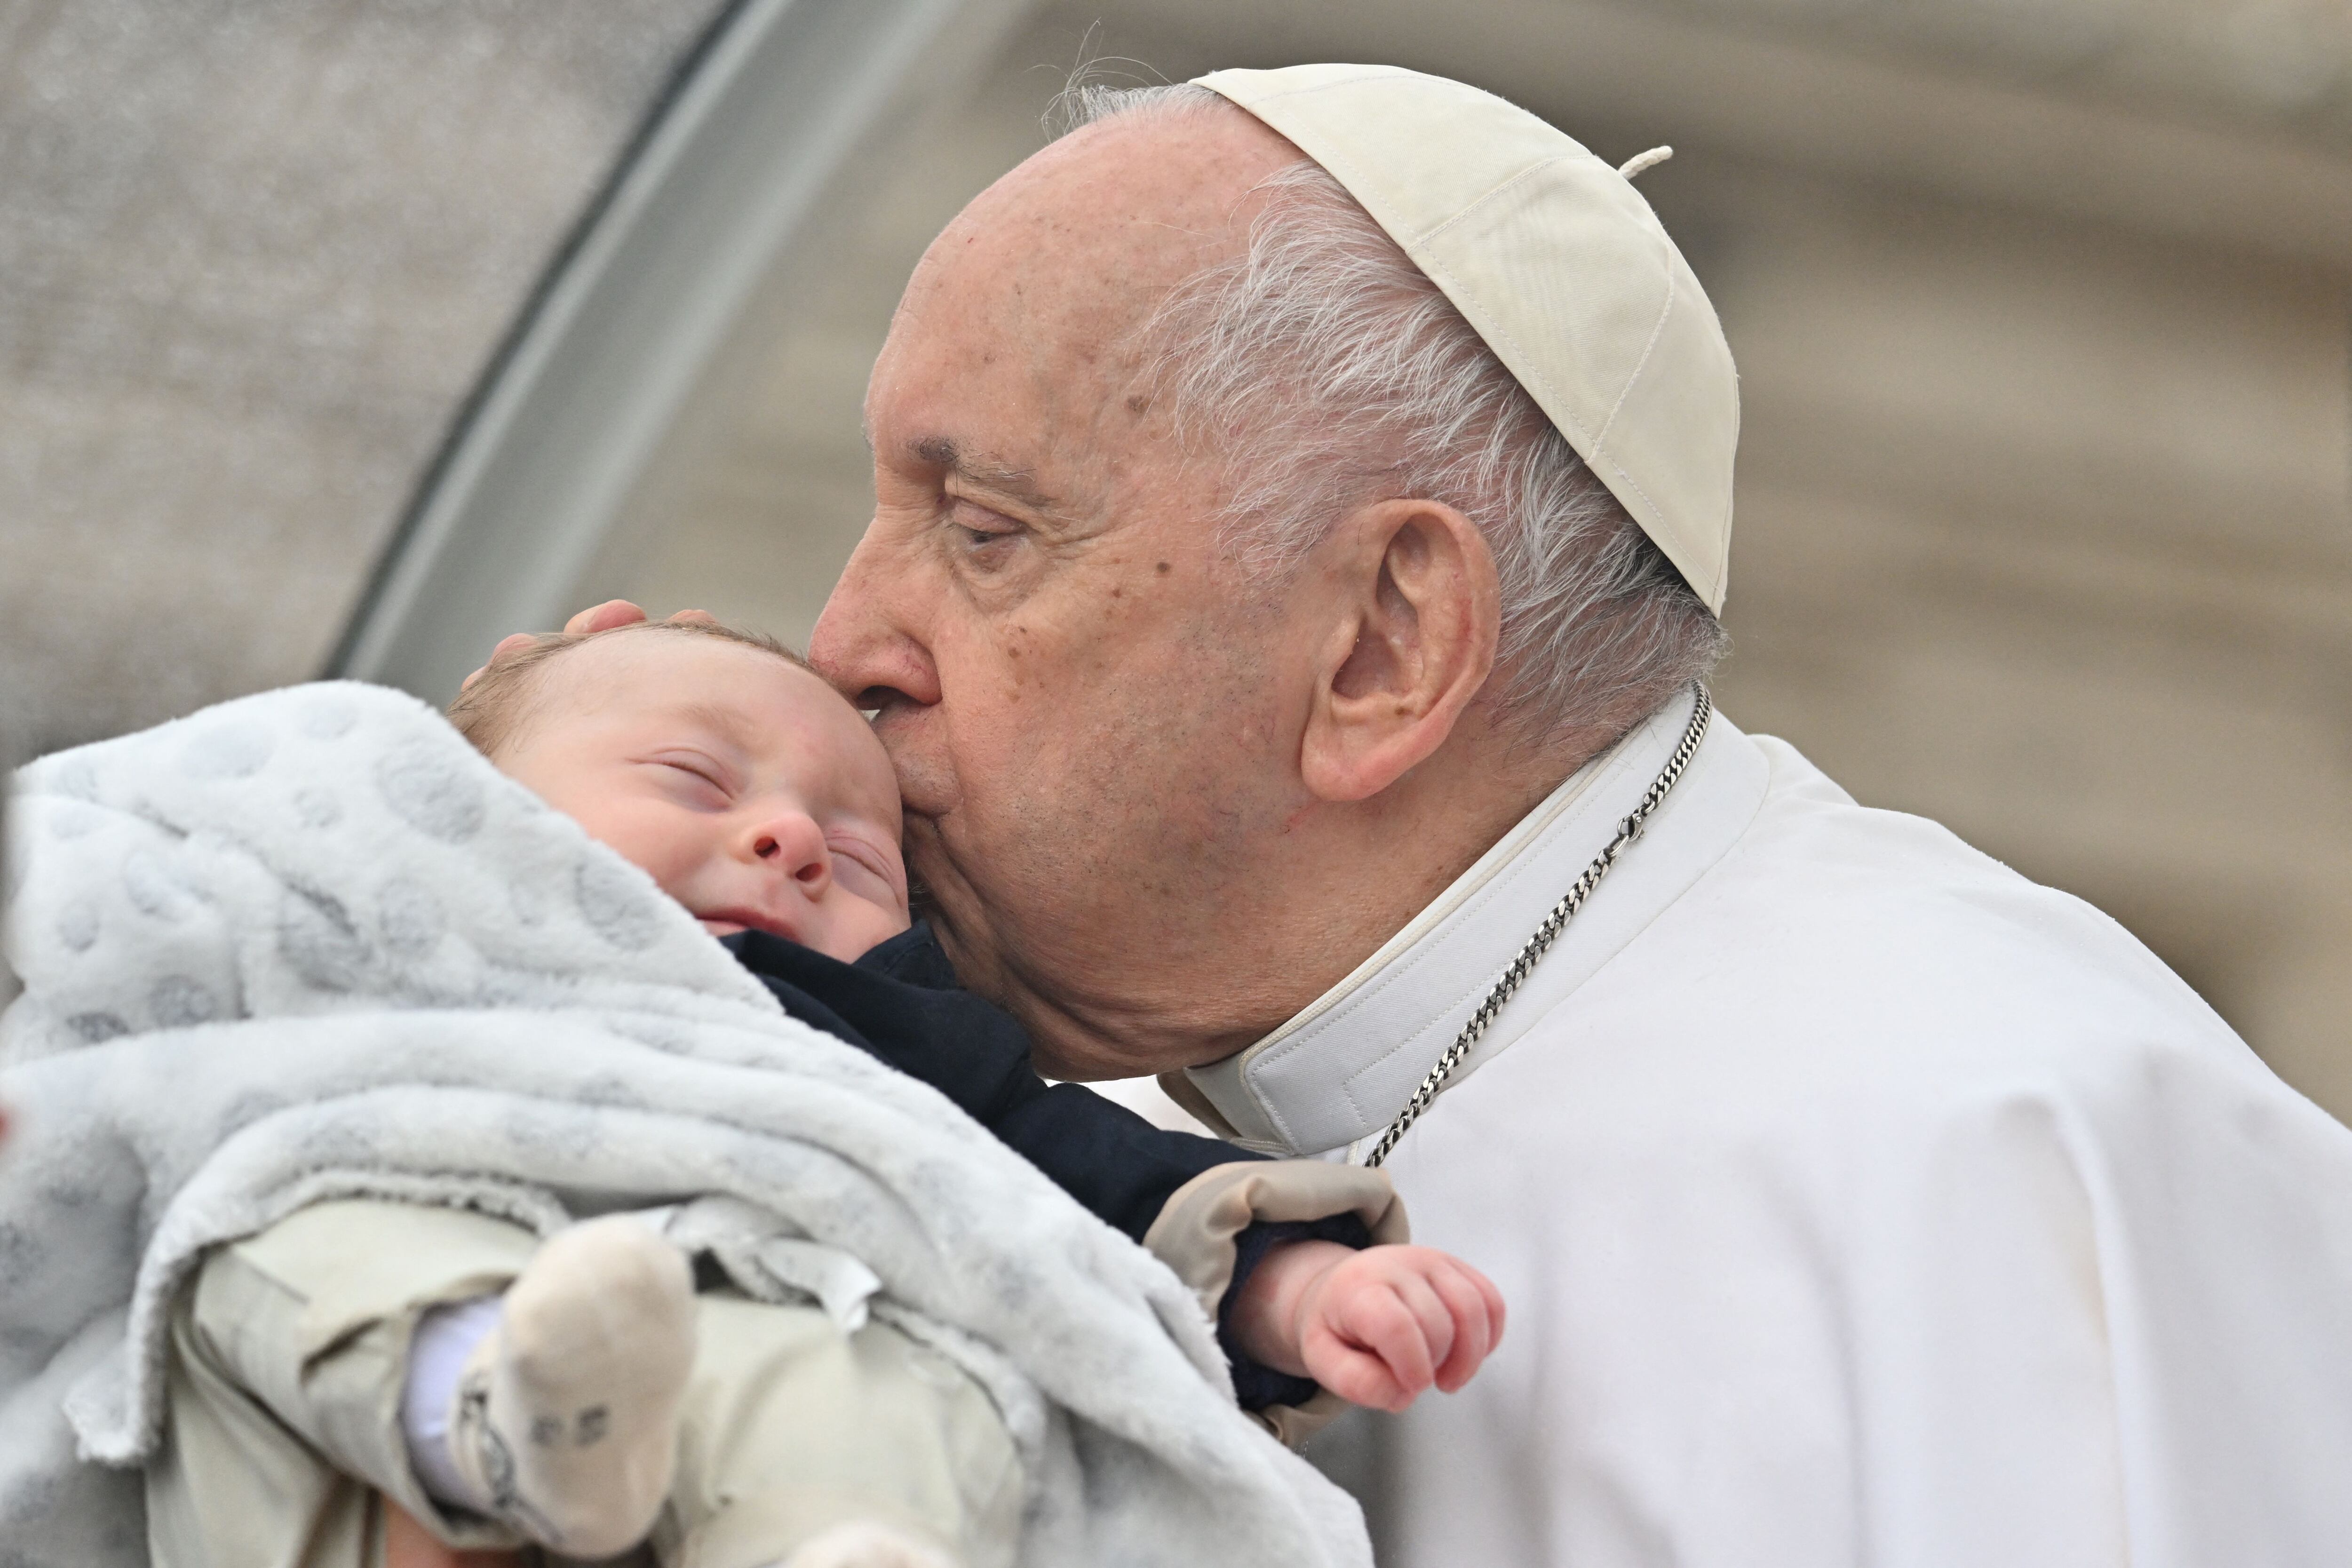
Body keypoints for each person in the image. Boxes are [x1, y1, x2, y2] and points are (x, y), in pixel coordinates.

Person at [562, 62, 2352, 1568]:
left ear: (1380, 649)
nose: (849, 643)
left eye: (983, 532)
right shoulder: (1060, 1125)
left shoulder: (1978, 1151)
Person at [158, 614, 1501, 1568]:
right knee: (265, 1247)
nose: (791, 837)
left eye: (860, 860)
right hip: (392, 1354)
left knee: (860, 1388)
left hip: (713, 1341)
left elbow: (1082, 1177)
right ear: (455, 807)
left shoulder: (878, 1049)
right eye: (695, 777)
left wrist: (1294, 1286)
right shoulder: (393, 936)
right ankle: (495, 1406)